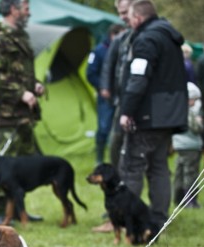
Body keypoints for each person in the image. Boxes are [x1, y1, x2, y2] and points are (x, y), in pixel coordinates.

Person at [118, 0, 188, 229]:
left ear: (137, 18)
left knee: (133, 166)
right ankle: (159, 219)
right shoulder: (169, 36)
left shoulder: (146, 39)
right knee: (159, 167)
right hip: (170, 114)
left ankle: (132, 222)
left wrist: (127, 111)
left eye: (129, 16)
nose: (127, 20)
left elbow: (138, 78)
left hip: (149, 115)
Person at [0, 0, 45, 225]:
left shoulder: (21, 36)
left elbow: (20, 72)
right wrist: (21, 93)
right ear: (13, 9)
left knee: (22, 166)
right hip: (5, 114)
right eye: (25, 6)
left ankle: (18, 210)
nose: (29, 10)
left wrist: (34, 84)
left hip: (23, 114)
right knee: (1, 165)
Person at [93, 0, 134, 233]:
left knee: (131, 161)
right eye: (119, 13)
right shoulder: (118, 41)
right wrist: (105, 87)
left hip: (134, 108)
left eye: (125, 12)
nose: (123, 16)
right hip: (120, 105)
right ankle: (115, 211)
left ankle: (128, 215)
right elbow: (108, 67)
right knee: (114, 150)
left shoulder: (144, 36)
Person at [86, 23, 125, 165]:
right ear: (113, 35)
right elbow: (90, 74)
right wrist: (102, 87)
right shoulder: (99, 51)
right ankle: (99, 159)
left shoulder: (124, 51)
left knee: (120, 128)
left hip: (121, 95)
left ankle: (118, 159)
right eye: (121, 35)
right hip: (105, 97)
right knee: (104, 128)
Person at [172, 82, 204, 208]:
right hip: (191, 146)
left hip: (179, 145)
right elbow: (195, 128)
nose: (195, 103)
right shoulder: (188, 112)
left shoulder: (176, 108)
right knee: (190, 174)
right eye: (194, 100)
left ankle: (177, 198)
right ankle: (190, 201)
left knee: (179, 173)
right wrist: (199, 122)